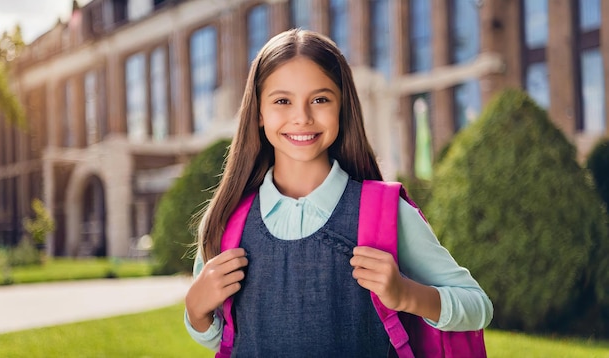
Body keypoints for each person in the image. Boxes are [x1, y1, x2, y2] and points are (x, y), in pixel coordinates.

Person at [184, 28, 493, 356]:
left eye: (320, 99)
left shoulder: (384, 213)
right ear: (259, 112)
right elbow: (227, 341)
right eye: (282, 101)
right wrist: (195, 311)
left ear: (342, 107)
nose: (301, 117)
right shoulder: (227, 222)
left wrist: (406, 295)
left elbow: (478, 307)